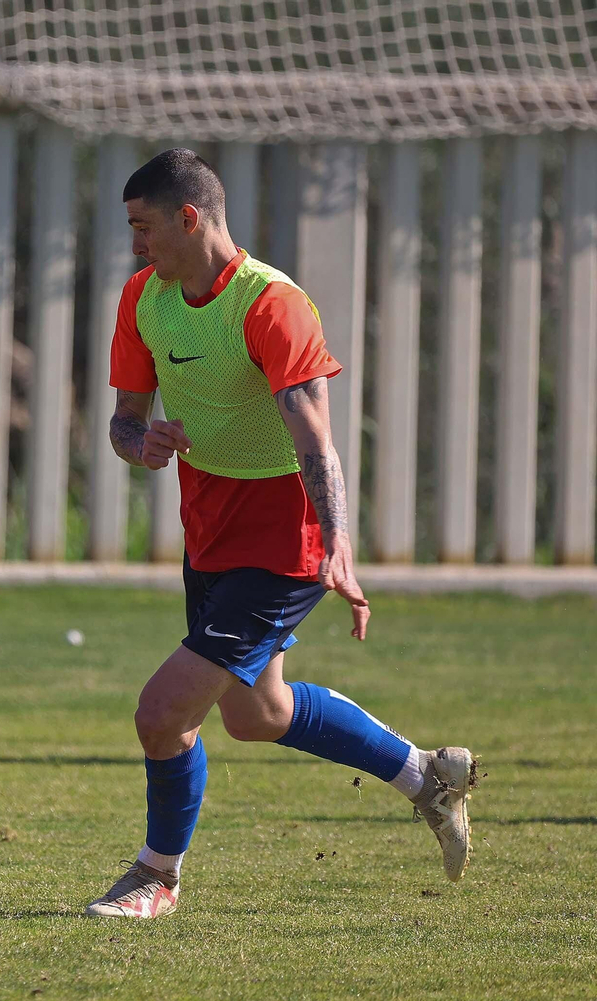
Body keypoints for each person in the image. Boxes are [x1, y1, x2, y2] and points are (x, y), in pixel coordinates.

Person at [85, 148, 478, 919]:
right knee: (255, 713)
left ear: (188, 219)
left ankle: (156, 876)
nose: (135, 244)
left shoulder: (272, 304)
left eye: (143, 226)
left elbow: (313, 439)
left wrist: (336, 544)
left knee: (164, 712)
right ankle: (424, 773)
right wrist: (144, 443)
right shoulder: (143, 299)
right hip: (209, 530)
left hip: (283, 540)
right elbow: (123, 423)